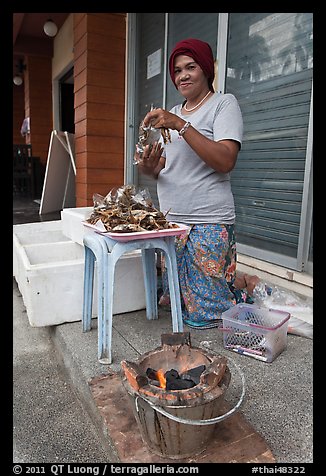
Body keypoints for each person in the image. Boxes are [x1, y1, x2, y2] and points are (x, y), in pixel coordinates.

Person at [134, 38, 256, 329]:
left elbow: (226, 160)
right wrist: (151, 168)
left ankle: (249, 290)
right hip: (174, 223)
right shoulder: (175, 112)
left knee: (206, 314)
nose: (183, 75)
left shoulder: (222, 104)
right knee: (176, 303)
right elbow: (170, 167)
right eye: (177, 70)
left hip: (208, 221)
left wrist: (180, 124)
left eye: (191, 67)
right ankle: (236, 281)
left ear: (205, 70)